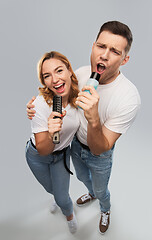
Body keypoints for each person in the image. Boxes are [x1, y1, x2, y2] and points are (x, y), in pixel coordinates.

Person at [27, 21, 141, 234]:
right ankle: (91, 193)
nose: (104, 55)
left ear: (124, 59)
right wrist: (34, 108)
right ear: (93, 47)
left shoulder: (129, 98)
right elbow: (56, 95)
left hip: (100, 155)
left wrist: (94, 119)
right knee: (81, 178)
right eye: (101, 46)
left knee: (101, 189)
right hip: (74, 146)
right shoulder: (79, 73)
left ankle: (105, 208)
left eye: (114, 51)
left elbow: (101, 147)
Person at [25, 51, 80, 234]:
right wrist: (51, 133)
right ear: (44, 81)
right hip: (37, 156)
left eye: (58, 71)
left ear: (69, 71)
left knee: (63, 197)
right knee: (50, 189)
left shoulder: (80, 100)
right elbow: (43, 150)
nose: (54, 79)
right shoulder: (40, 105)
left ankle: (69, 214)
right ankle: (57, 198)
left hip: (62, 155)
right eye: (47, 76)